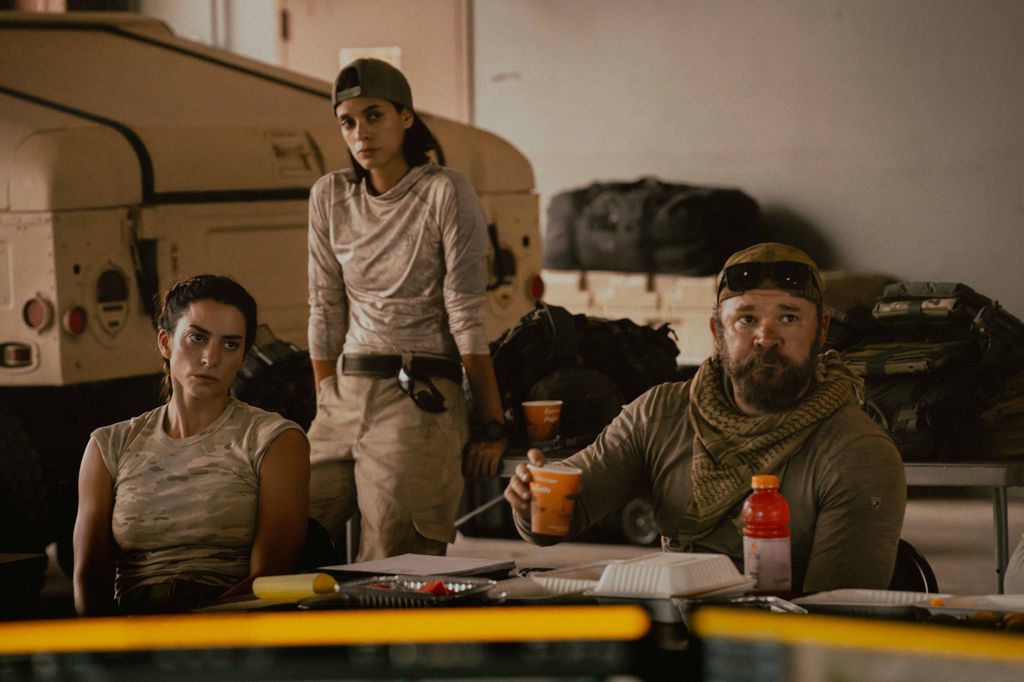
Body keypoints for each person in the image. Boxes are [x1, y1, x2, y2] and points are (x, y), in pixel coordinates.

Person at [505, 242, 907, 593]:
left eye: (788, 318)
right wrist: (531, 501)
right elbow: (562, 515)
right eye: (746, 318)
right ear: (717, 331)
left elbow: (837, 622)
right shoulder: (661, 413)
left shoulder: (856, 452)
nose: (766, 337)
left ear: (821, 332)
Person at [306, 58, 507, 560]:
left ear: (406, 118)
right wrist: (326, 396)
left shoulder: (443, 190)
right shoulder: (330, 196)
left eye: (374, 116)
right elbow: (324, 306)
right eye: (348, 122)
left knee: (389, 564)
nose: (361, 133)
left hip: (418, 398)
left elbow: (464, 312)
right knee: (283, 535)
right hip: (343, 398)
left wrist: (492, 423)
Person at [73, 275, 310, 615]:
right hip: (132, 639)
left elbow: (269, 579)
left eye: (230, 345)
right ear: (165, 342)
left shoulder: (273, 440)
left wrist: (191, 631)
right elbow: (89, 579)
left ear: (244, 356)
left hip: (232, 632)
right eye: (197, 338)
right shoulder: (109, 445)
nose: (210, 358)